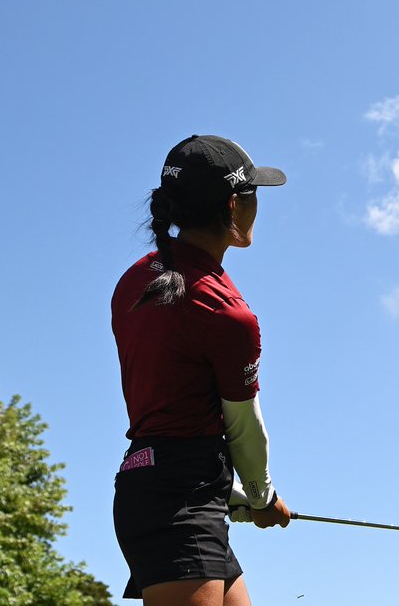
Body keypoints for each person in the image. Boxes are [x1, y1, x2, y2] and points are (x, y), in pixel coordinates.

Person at [111, 135, 292, 604]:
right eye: (254, 195)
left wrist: (226, 491)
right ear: (235, 205)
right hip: (181, 499)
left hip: (161, 484)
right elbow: (244, 427)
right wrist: (261, 495)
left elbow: (174, 404)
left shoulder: (134, 281)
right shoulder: (229, 314)